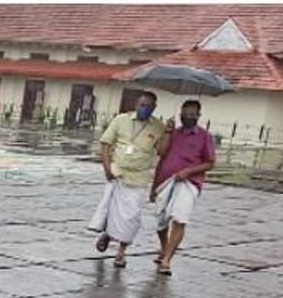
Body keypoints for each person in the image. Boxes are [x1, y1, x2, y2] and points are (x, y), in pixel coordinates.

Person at [88, 91, 169, 268]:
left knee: (131, 216)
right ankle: (108, 234)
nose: (145, 109)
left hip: (138, 178)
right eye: (142, 105)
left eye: (149, 106)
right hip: (117, 173)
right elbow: (105, 144)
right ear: (136, 105)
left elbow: (162, 152)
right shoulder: (121, 120)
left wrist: (169, 132)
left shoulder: (158, 127)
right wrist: (107, 168)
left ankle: (121, 252)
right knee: (110, 210)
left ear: (154, 108)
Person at [150, 100, 215, 276]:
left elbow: (210, 163)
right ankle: (165, 247)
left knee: (180, 218)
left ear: (198, 116)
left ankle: (166, 260)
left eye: (192, 115)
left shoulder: (205, 137)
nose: (188, 117)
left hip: (189, 184)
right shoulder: (173, 133)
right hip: (165, 181)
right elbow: (161, 154)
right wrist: (168, 132)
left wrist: (189, 171)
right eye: (185, 114)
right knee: (161, 221)